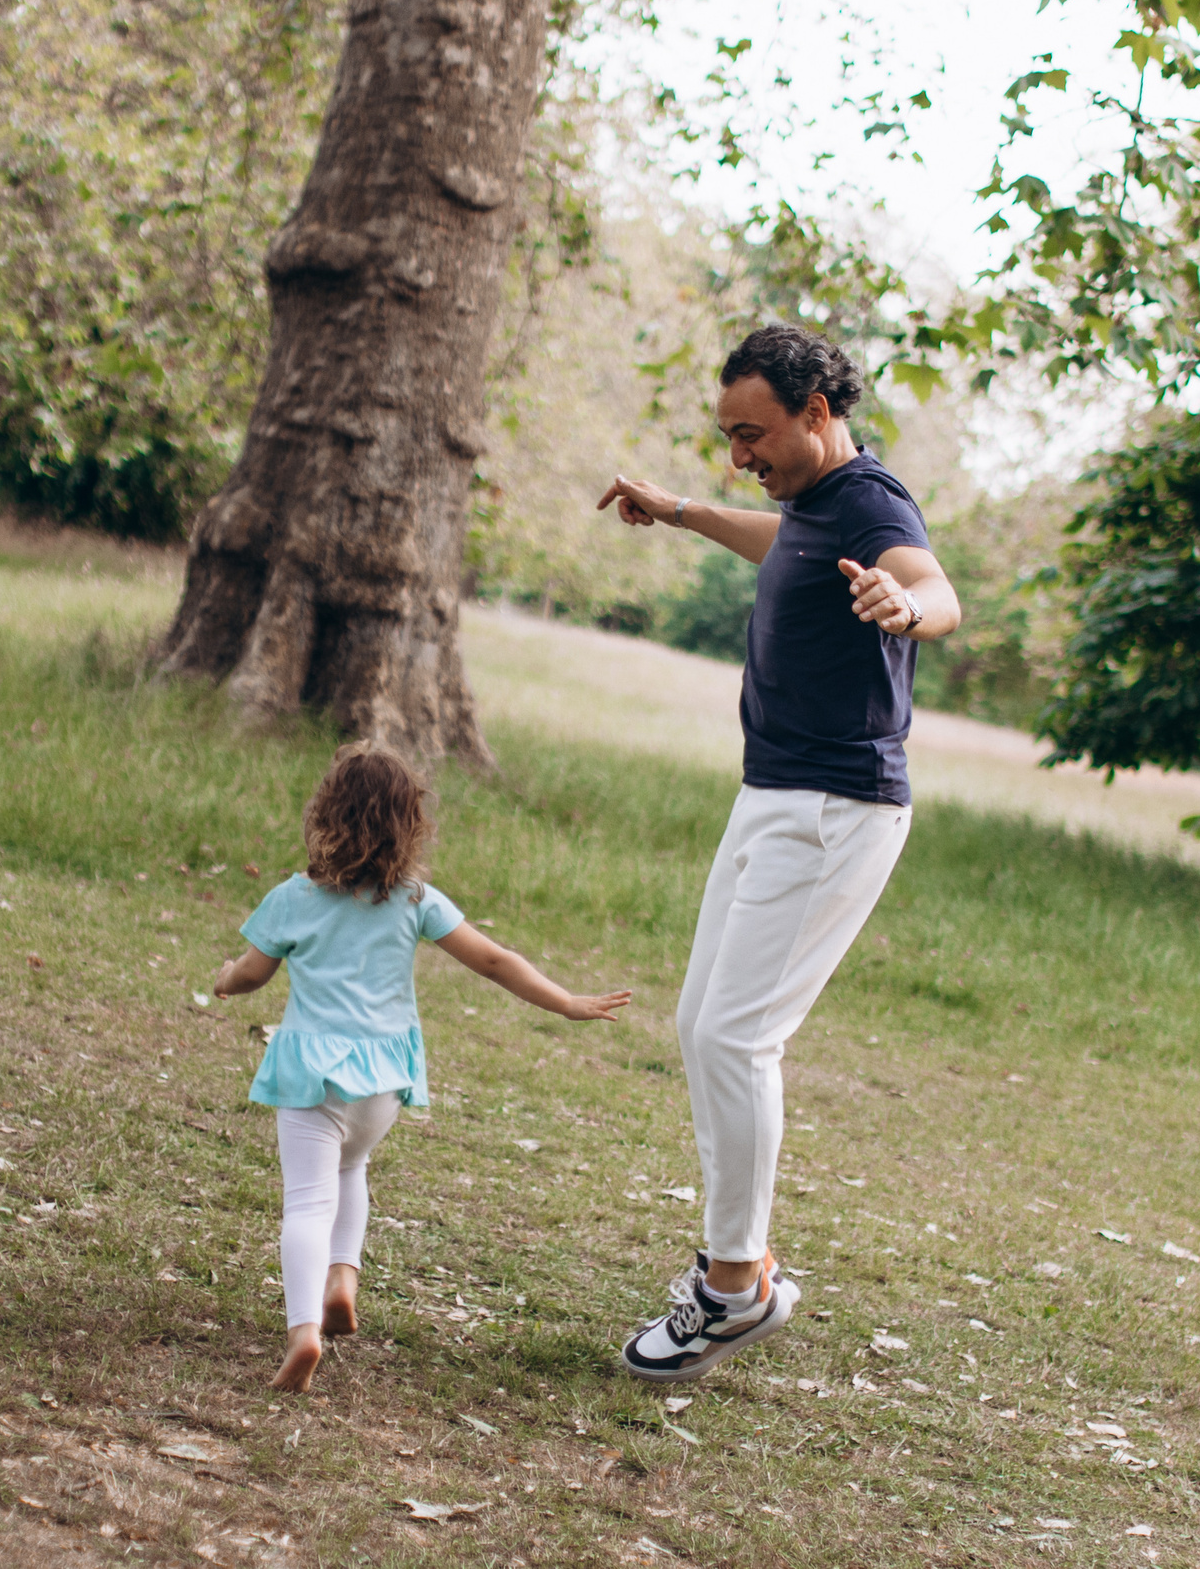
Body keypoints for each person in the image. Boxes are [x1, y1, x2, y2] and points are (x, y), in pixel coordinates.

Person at [594, 323, 961, 1380]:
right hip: (772, 794)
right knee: (700, 1024)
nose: (738, 455)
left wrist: (907, 607)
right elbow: (782, 544)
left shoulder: (873, 502)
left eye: (751, 434)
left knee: (737, 1037)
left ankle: (733, 1289)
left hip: (835, 808)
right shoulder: (814, 505)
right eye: (728, 436)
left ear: (816, 411)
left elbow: (935, 588)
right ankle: (739, 1267)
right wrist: (680, 511)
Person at [211, 742, 632, 1393]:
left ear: (324, 815)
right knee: (352, 1168)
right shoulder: (415, 900)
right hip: (383, 1082)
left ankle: (303, 1332)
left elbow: (251, 972)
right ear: (410, 825)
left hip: (312, 1076)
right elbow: (494, 960)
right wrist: (566, 1002)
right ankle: (342, 1278)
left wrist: (225, 980)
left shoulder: (293, 898)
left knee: (307, 1203)